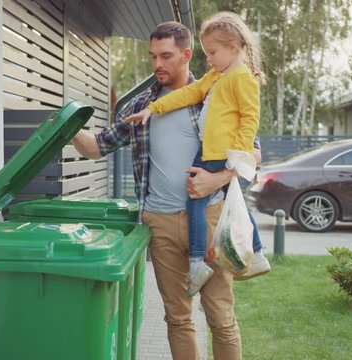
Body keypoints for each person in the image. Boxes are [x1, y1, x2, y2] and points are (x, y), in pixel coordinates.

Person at [72, 21, 247, 359]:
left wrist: (217, 179)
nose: (157, 65)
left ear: (186, 54)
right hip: (161, 222)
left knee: (221, 318)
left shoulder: (218, 94)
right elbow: (96, 146)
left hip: (209, 217)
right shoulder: (141, 105)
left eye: (165, 56)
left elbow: (252, 153)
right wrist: (67, 126)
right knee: (177, 318)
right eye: (152, 56)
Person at [125, 11, 269, 293]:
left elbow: (251, 118)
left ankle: (197, 262)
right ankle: (256, 253)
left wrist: (237, 156)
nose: (210, 58)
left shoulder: (242, 78)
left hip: (220, 154)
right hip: (211, 151)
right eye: (206, 52)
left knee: (196, 198)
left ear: (233, 46)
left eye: (213, 52)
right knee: (232, 200)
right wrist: (153, 108)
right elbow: (189, 93)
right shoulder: (216, 76)